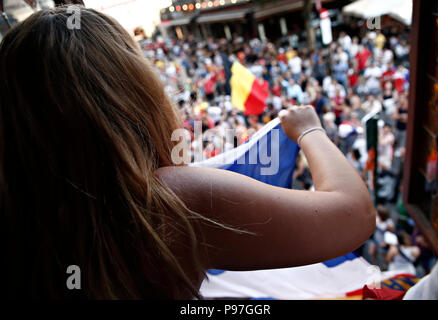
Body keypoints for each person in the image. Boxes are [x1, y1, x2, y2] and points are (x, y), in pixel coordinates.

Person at [0, 7, 376, 299]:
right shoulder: (163, 204)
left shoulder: (26, 218)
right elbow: (354, 216)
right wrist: (309, 129)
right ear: (130, 95)